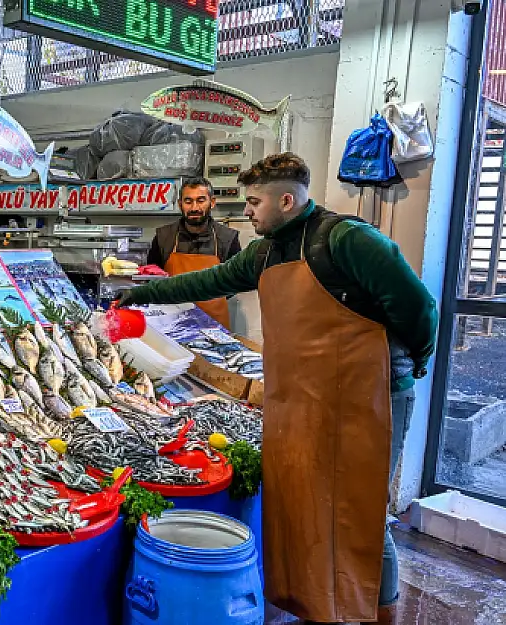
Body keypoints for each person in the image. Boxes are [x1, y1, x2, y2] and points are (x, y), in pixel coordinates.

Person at [116, 153, 438, 625]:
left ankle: (380, 616)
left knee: (361, 516)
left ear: (286, 200)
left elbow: (419, 309)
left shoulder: (348, 241)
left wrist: (415, 364)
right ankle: (321, 611)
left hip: (371, 396)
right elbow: (213, 279)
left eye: (253, 202)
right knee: (306, 504)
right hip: (307, 396)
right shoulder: (265, 251)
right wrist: (140, 293)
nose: (247, 211)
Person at [145, 177, 241, 328]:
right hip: (171, 324)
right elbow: (152, 278)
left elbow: (236, 283)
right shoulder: (164, 237)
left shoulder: (227, 238)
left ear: (212, 202)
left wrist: (210, 300)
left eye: (201, 200)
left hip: (214, 326)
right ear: (180, 204)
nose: (194, 207)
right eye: (188, 201)